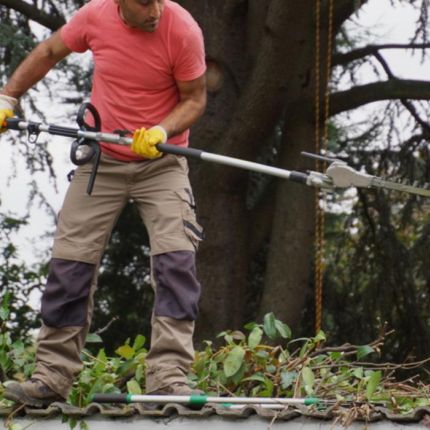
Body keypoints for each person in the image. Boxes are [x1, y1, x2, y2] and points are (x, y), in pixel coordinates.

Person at [1, 0, 207, 407]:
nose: (154, 11)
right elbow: (48, 52)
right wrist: (8, 97)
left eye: (157, 1)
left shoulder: (182, 29)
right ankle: (51, 377)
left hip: (162, 162)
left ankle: (168, 378)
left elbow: (195, 99)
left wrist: (161, 129)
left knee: (175, 262)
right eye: (144, 3)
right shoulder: (94, 16)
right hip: (103, 159)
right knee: (70, 264)